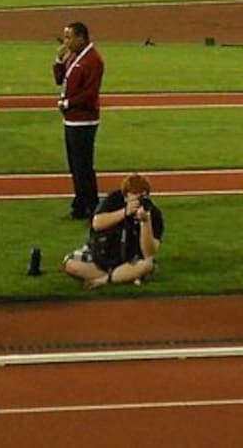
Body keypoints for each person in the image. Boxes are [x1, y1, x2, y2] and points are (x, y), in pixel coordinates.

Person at [63, 173, 164, 289]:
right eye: (135, 196)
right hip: (102, 253)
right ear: (125, 196)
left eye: (143, 197)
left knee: (147, 265)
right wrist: (125, 212)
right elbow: (97, 223)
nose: (139, 201)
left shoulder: (153, 213)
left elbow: (149, 253)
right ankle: (125, 277)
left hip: (130, 259)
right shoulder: (114, 200)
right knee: (70, 264)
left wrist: (145, 222)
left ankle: (104, 280)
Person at [52, 20, 103, 221]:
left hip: (84, 120)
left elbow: (90, 93)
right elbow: (60, 79)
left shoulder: (94, 60)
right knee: (75, 165)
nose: (66, 41)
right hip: (72, 119)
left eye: (69, 37)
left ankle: (91, 206)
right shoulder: (74, 56)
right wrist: (58, 60)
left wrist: (67, 103)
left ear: (81, 37)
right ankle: (80, 204)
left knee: (83, 166)